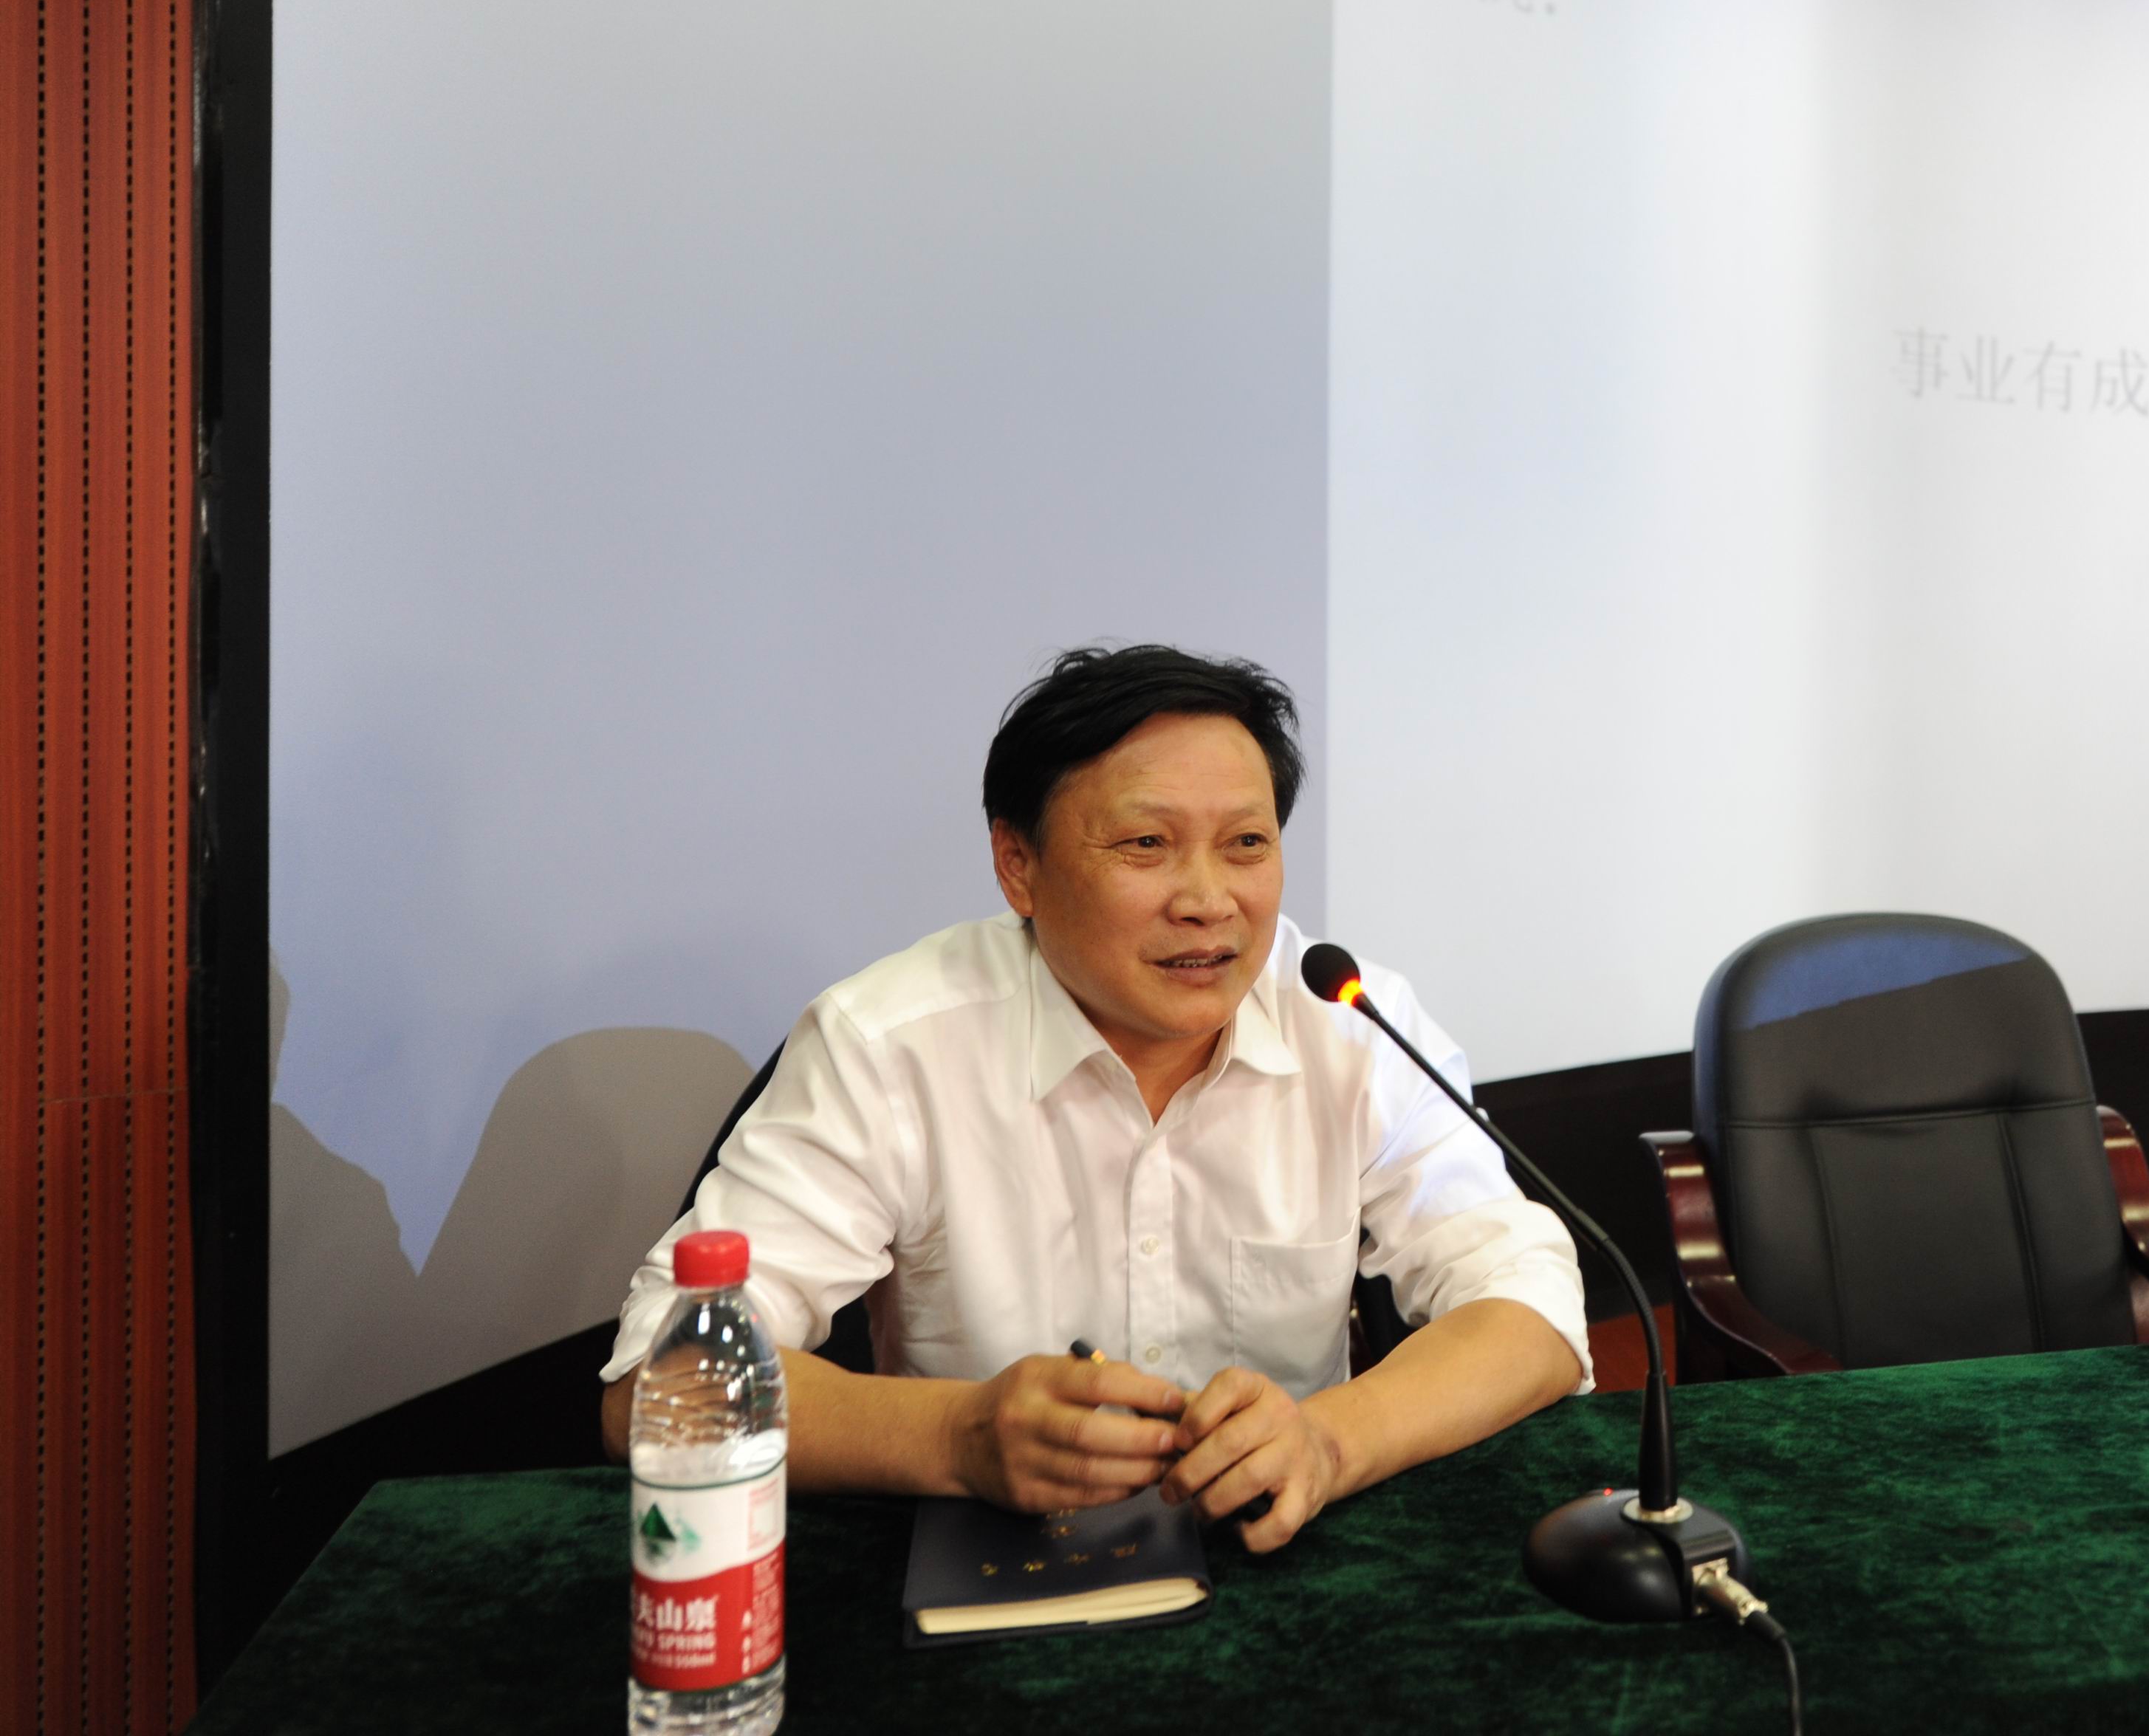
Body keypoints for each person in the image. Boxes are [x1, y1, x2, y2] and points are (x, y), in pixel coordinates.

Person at [596, 646, 1588, 1552]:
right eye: (1146, 844)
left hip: (1279, 1556)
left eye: (1246, 843)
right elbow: (658, 1387)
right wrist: (957, 1436)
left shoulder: (1349, 1020)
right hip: (982, 1570)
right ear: (1017, 866)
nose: (1208, 900)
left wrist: (1329, 1442)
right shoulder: (889, 1045)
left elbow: (1529, 1307)